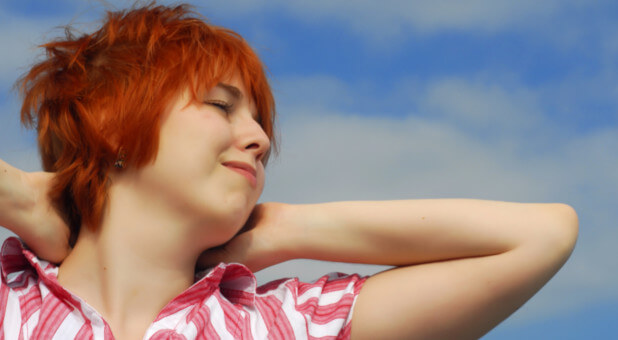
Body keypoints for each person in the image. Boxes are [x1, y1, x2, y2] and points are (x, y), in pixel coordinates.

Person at [0, 3, 578, 340]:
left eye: (260, 122)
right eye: (221, 106)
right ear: (111, 126)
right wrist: (19, 193)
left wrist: (280, 230)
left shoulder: (283, 323)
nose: (259, 139)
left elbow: (542, 236)